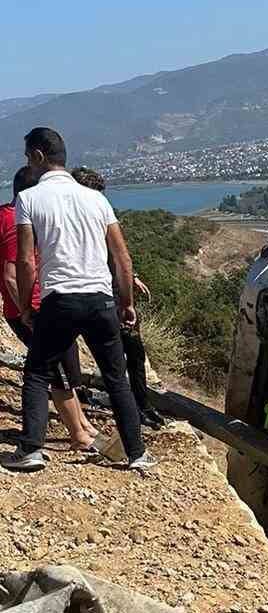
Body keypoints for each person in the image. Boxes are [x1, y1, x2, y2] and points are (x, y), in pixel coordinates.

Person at [1, 127, 149, 473]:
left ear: (38, 156)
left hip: (60, 300)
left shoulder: (30, 198)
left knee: (38, 373)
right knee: (116, 378)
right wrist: (126, 304)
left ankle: (32, 450)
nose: (28, 164)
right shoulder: (96, 199)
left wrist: (25, 306)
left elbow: (25, 260)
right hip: (101, 301)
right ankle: (137, 453)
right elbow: (123, 260)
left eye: (28, 157)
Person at [1, 166, 97, 449]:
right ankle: (77, 435)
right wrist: (27, 312)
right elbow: (10, 273)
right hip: (30, 309)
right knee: (56, 370)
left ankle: (83, 424)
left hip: (43, 305)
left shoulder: (13, 215)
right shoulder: (12, 221)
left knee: (65, 365)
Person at [71, 167, 165, 429]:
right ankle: (130, 411)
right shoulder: (74, 221)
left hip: (114, 293)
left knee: (135, 353)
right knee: (115, 359)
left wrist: (130, 278)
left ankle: (143, 405)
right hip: (97, 297)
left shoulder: (98, 213)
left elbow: (118, 254)